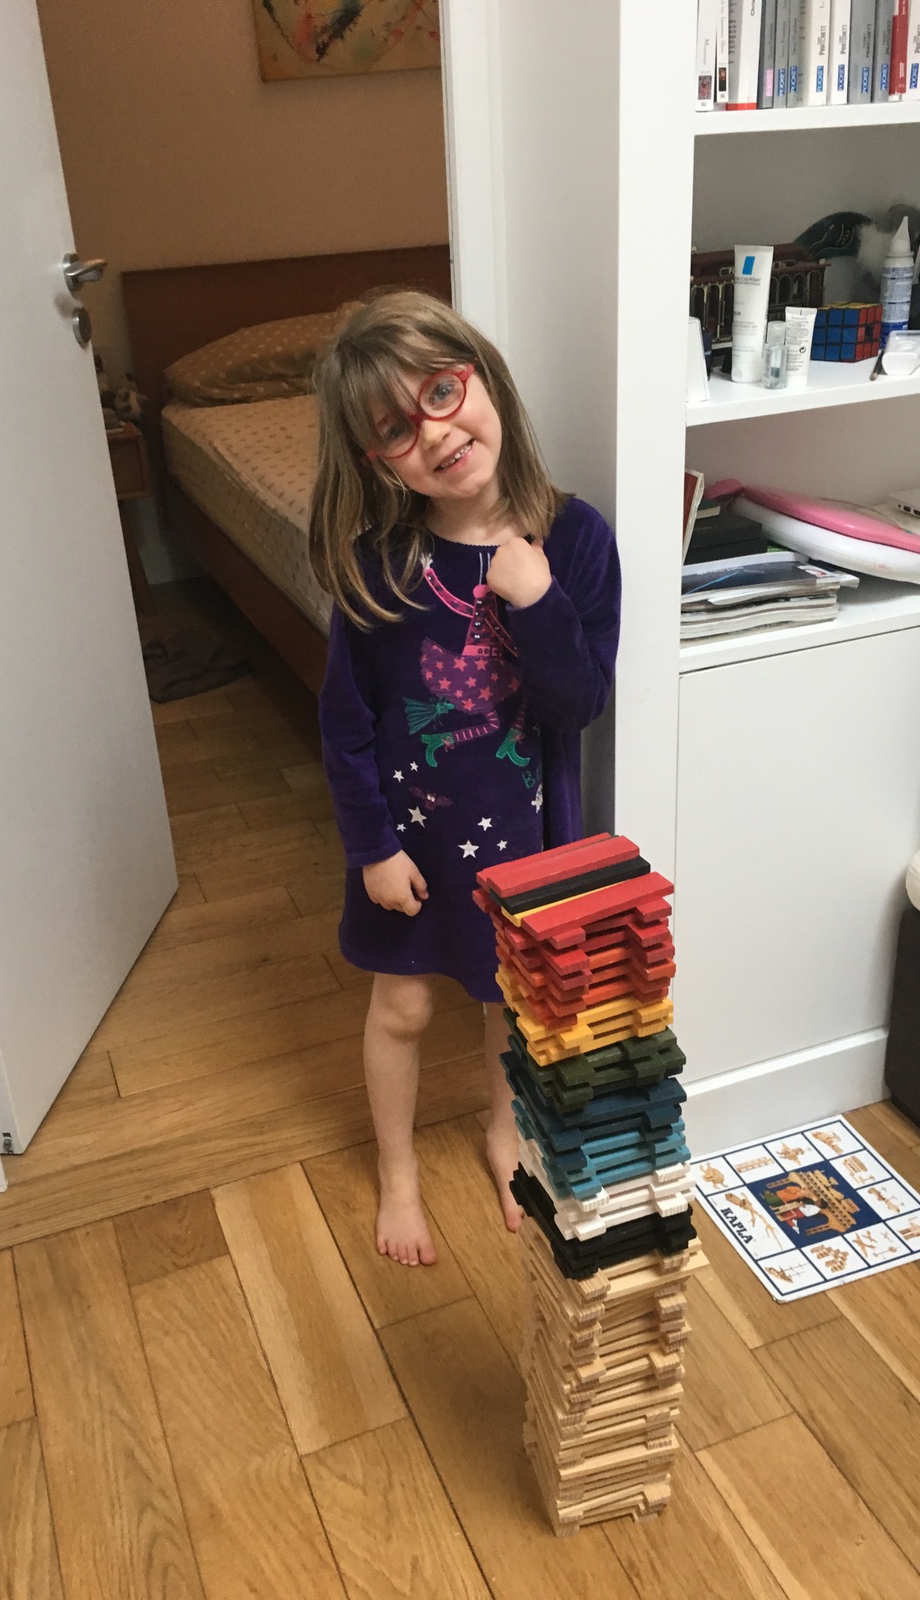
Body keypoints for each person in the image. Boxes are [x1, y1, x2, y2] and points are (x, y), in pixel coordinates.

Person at [309, 291, 621, 1267]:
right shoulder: (380, 566)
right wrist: (371, 847)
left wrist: (539, 601)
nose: (436, 433)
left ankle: (504, 1131)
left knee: (507, 1003)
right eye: (397, 429)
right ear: (378, 460)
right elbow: (345, 725)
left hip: (528, 848)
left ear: (482, 377)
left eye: (442, 393)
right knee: (402, 1008)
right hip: (411, 850)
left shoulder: (576, 540)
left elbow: (580, 703)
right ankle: (398, 1173)